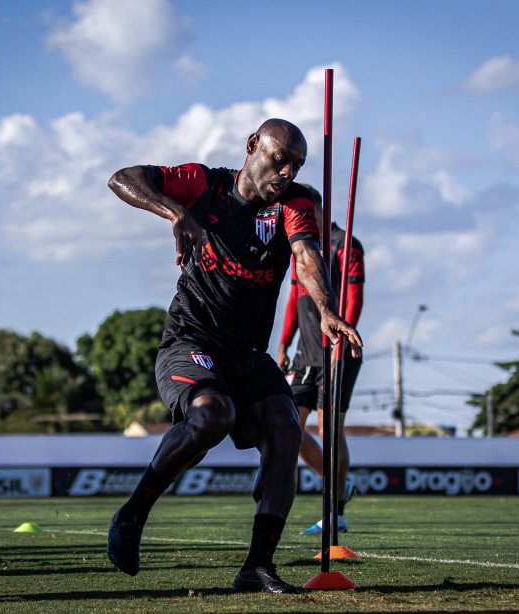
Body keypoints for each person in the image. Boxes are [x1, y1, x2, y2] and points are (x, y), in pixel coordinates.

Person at [106, 118, 362, 594]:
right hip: (191, 343)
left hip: (247, 356)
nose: (286, 171)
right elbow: (122, 177)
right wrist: (174, 212)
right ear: (253, 146)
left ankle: (258, 565)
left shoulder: (294, 203)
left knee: (286, 428)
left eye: (296, 165)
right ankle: (132, 514)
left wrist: (327, 311)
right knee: (213, 414)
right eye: (280, 158)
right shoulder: (205, 185)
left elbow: (306, 256)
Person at [277, 186, 365, 535]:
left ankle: (335, 510)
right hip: (305, 355)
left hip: (336, 350)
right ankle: (339, 485)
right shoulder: (300, 248)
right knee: (289, 428)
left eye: (305, 211)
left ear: (318, 209)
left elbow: (355, 296)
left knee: (329, 431)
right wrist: (284, 343)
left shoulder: (346, 244)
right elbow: (294, 299)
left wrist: (343, 340)